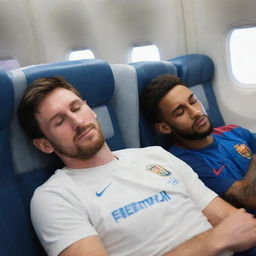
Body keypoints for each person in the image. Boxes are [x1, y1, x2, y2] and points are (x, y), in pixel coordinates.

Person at [18, 76, 256, 256]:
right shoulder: (54, 197)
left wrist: (225, 236)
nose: (77, 122)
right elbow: (225, 233)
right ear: (44, 144)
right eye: (59, 121)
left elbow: (236, 221)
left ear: (90, 109)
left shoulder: (155, 156)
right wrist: (214, 241)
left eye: (77, 108)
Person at [140, 74, 256, 213]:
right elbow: (246, 197)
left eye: (193, 100)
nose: (195, 112)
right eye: (180, 112)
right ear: (164, 127)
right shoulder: (184, 163)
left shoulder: (233, 131)